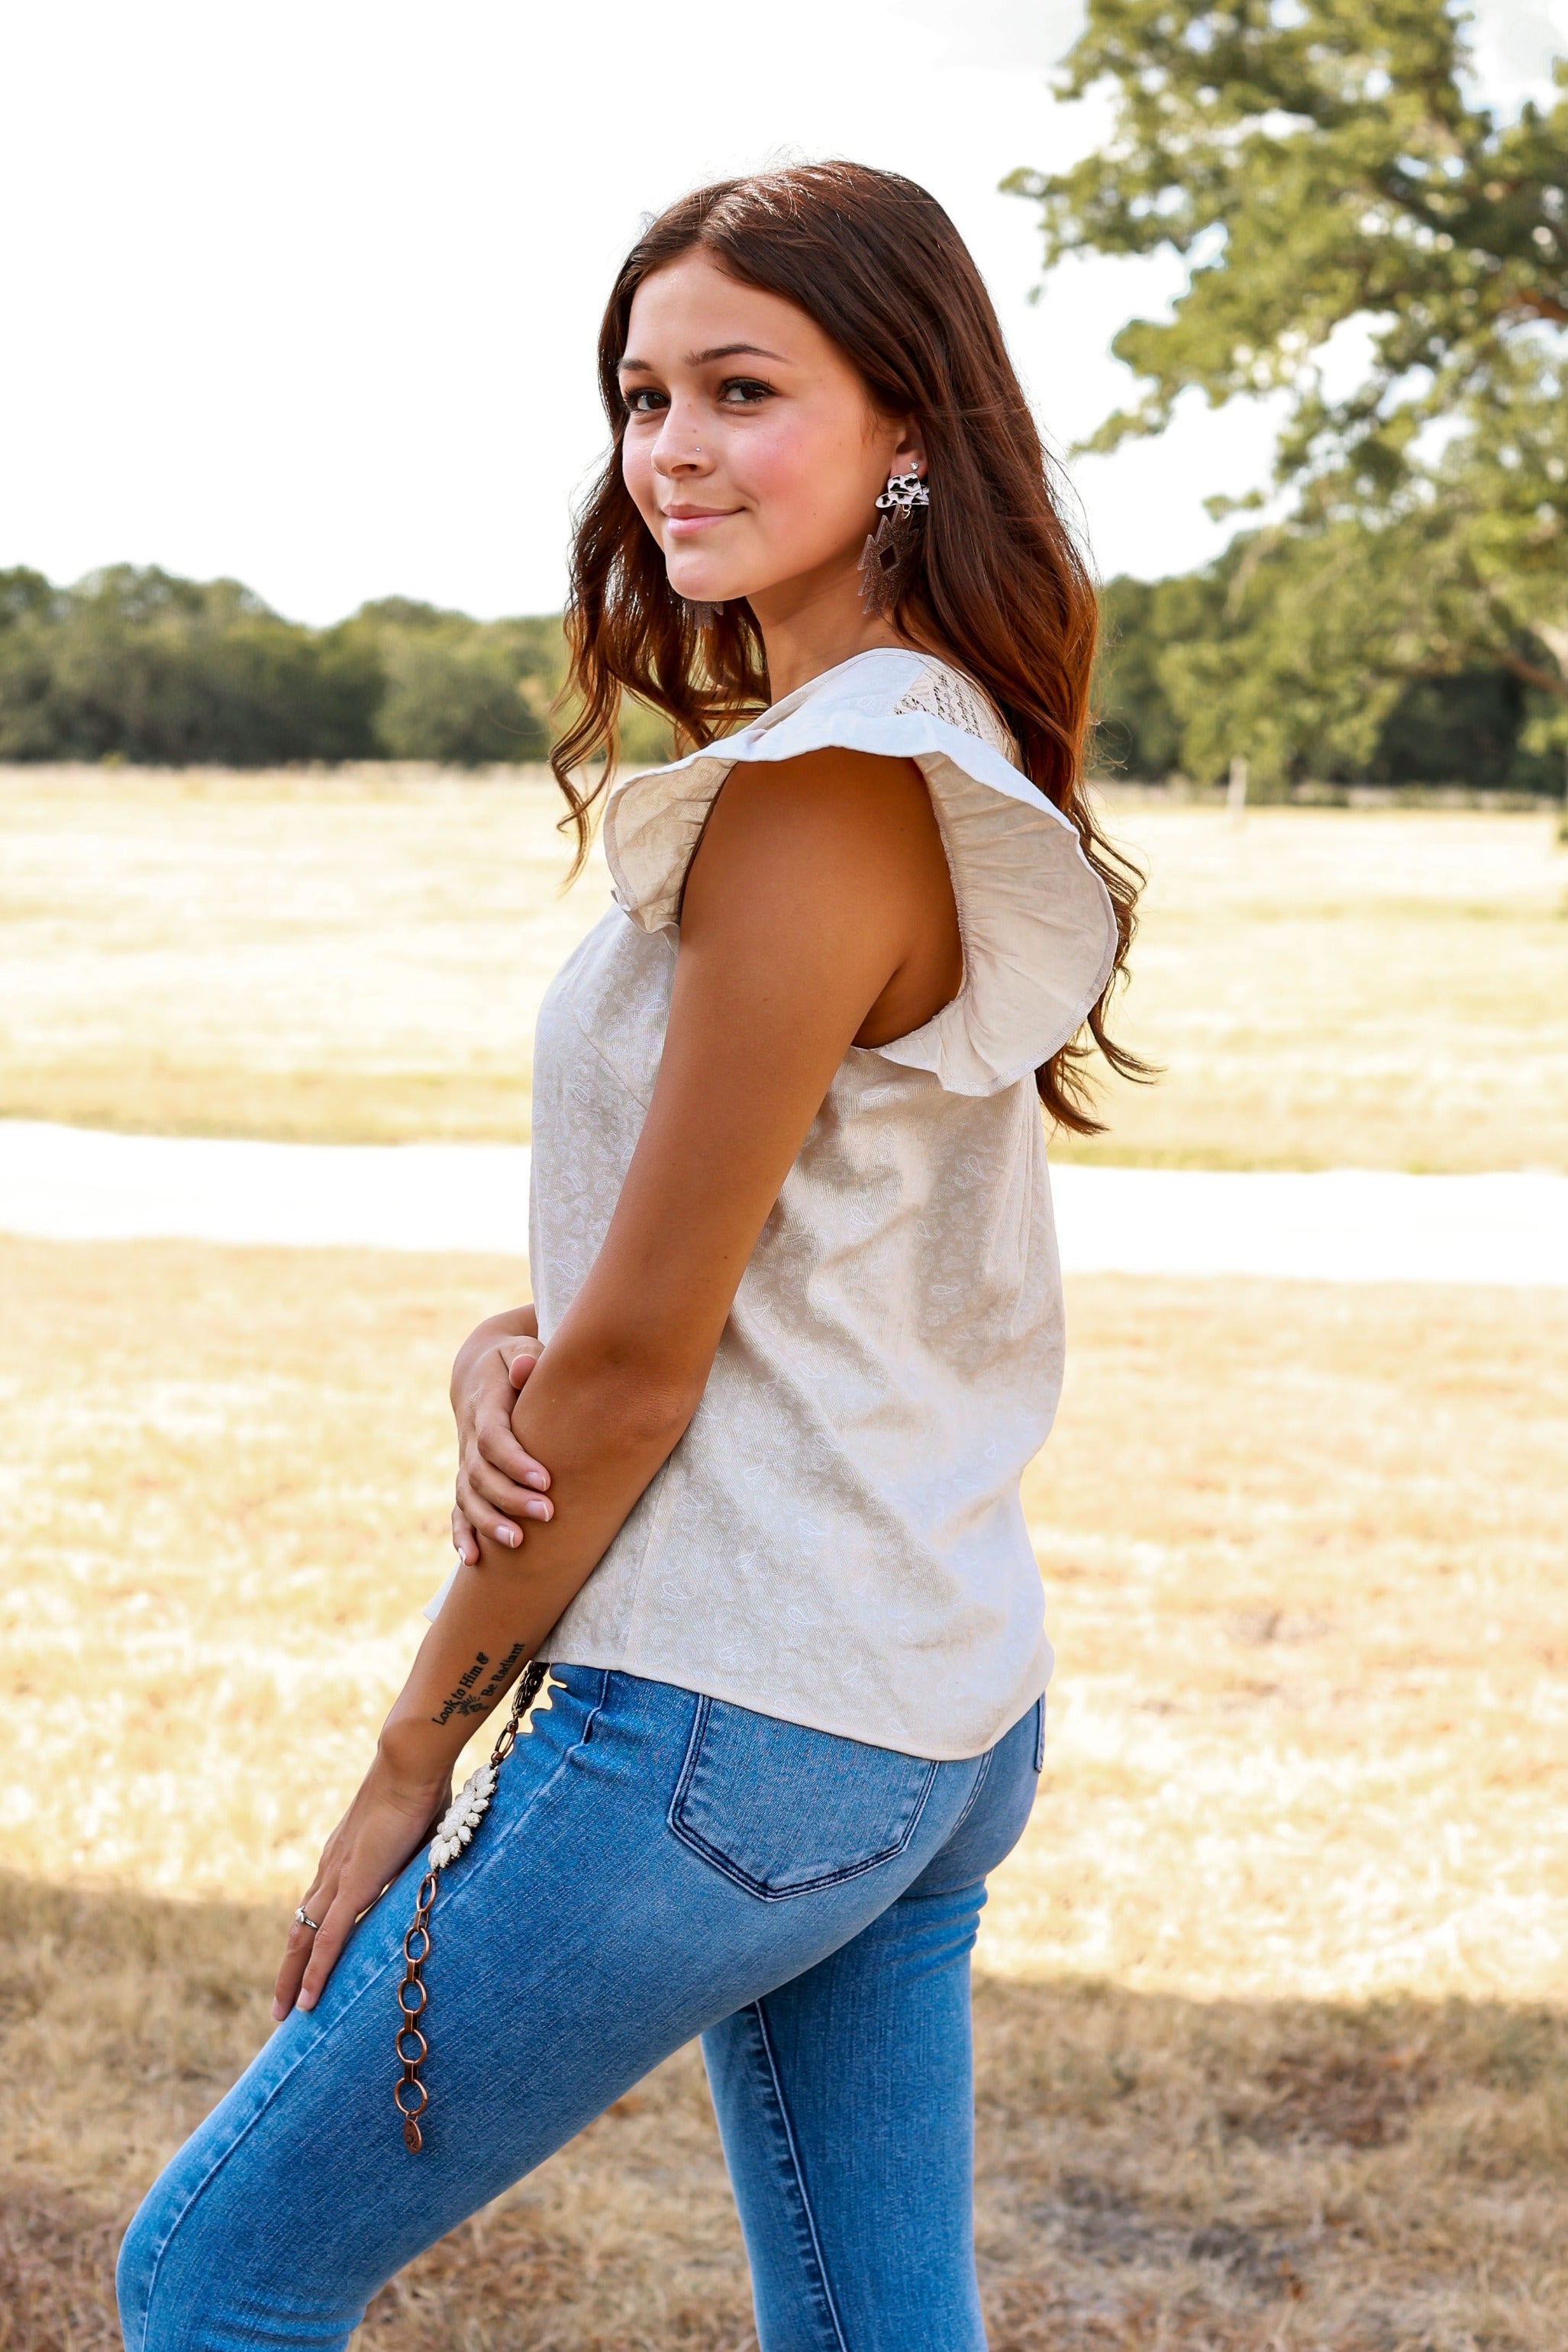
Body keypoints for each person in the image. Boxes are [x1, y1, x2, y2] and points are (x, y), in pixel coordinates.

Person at [118, 160, 1144, 2352]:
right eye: (641, 393)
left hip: (731, 1708)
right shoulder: (933, 748)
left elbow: (642, 1377)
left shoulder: (822, 794)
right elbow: (758, 1258)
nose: (670, 448)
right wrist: (518, 1333)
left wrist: (414, 1742)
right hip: (932, 1705)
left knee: (217, 2267)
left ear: (912, 433)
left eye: (743, 388)